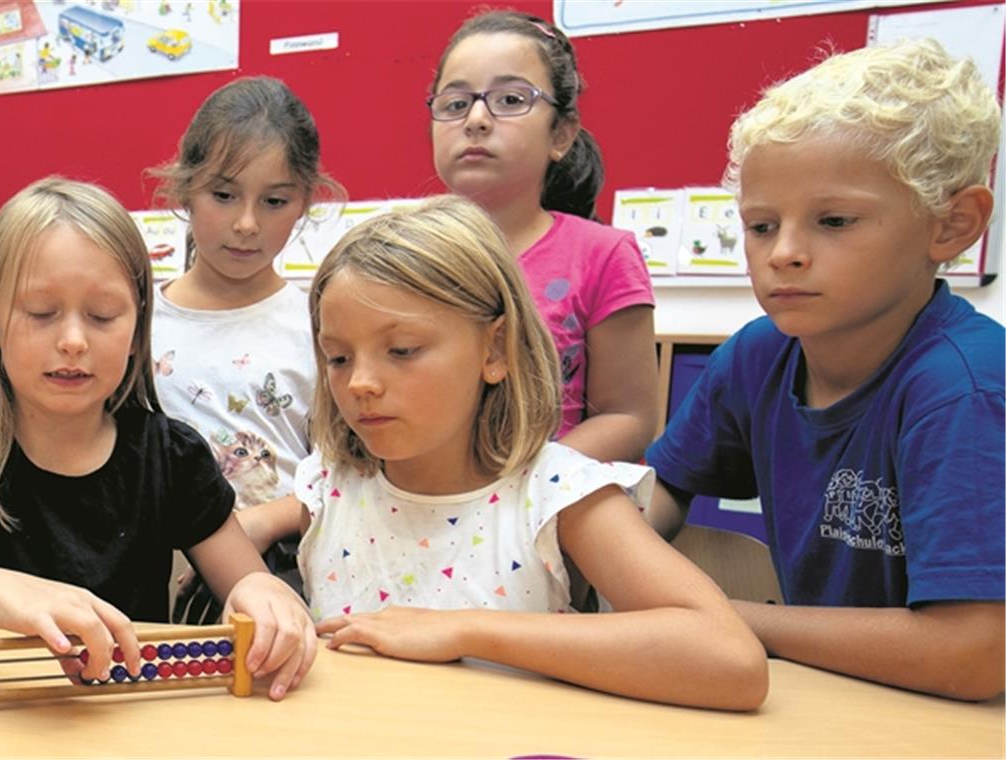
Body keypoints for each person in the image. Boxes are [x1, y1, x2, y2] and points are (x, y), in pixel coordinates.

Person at [238, 197, 767, 711]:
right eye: (337, 357)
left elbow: (731, 659)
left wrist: (463, 630)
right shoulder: (326, 490)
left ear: (494, 350)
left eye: (402, 351)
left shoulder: (558, 496)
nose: (361, 383)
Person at [0, 178, 315, 701]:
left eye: (102, 316)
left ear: (138, 332)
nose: (72, 341)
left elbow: (246, 585)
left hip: (122, 723)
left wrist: (262, 593)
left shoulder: (171, 457)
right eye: (42, 313)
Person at [646, 39, 1004, 701]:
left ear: (952, 225)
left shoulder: (963, 389)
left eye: (832, 221)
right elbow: (664, 488)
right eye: (758, 226)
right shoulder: (758, 353)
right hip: (836, 694)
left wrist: (729, 618)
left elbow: (972, 655)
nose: (782, 254)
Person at [145, 76, 344, 624]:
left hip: (277, 570)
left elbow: (346, 471)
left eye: (275, 201)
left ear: (305, 201)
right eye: (224, 195)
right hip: (153, 575)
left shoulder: (321, 323)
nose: (247, 223)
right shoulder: (135, 321)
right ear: (185, 189)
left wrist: (259, 524)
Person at [428, 10, 656, 463]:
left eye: (510, 100)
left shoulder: (603, 255)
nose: (476, 119)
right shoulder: (403, 252)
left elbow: (630, 417)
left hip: (550, 507)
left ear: (562, 133)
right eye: (455, 104)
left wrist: (520, 486)